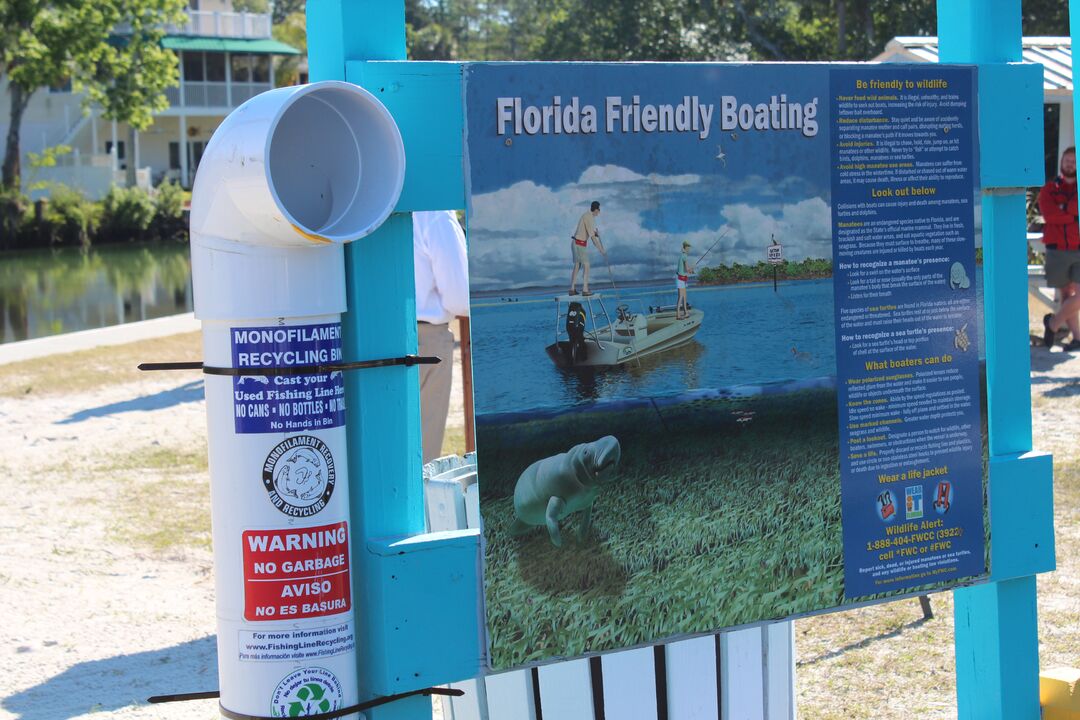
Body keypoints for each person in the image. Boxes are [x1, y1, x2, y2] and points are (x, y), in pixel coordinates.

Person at [414, 210, 470, 463]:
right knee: (423, 452)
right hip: (427, 340)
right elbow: (460, 297)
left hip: (371, 334)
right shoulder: (435, 213)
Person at [1040, 146, 1080, 350]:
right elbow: (1050, 216)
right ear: (1061, 162)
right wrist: (1073, 215)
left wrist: (1066, 209)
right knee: (1065, 295)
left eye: (1074, 161)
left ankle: (1053, 323)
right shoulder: (1049, 189)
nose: (1070, 164)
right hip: (1057, 249)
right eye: (1067, 160)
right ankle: (1077, 338)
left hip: (1078, 247)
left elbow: (1070, 210)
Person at [569, 201, 605, 296]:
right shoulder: (589, 217)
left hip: (576, 243)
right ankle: (585, 289)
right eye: (599, 209)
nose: (599, 212)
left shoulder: (587, 216)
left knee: (577, 265)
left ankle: (572, 289)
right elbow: (592, 237)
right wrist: (601, 249)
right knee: (587, 265)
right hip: (579, 243)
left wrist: (595, 233)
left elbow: (589, 232)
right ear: (596, 209)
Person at [675, 240, 694, 319]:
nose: (689, 250)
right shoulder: (685, 256)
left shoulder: (681, 256)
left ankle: (686, 312)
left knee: (684, 296)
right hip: (681, 279)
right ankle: (678, 314)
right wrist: (691, 270)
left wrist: (690, 270)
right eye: (688, 248)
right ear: (685, 248)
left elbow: (683, 269)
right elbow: (687, 269)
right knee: (681, 297)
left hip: (682, 278)